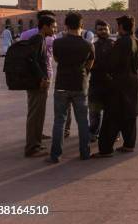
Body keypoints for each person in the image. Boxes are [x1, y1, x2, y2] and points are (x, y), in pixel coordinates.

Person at [95, 15, 138, 157]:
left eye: (118, 26)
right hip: (132, 81)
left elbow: (111, 64)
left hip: (119, 83)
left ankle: (105, 149)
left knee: (111, 116)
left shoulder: (122, 42)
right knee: (129, 115)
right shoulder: (135, 41)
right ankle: (129, 144)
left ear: (122, 27)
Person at [47, 12, 94, 163]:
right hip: (80, 85)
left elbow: (56, 59)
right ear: (82, 25)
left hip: (62, 85)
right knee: (82, 121)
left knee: (59, 121)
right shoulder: (88, 45)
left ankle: (55, 155)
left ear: (66, 26)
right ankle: (84, 153)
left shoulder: (58, 43)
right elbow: (89, 66)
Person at [23, 15, 56, 157]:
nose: (55, 29)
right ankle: (32, 148)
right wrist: (42, 77)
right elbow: (31, 59)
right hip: (37, 83)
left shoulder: (41, 38)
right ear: (44, 26)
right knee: (35, 114)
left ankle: (36, 142)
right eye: (53, 26)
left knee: (37, 113)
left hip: (38, 82)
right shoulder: (37, 38)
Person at [88, 20, 113, 143]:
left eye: (105, 29)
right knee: (94, 112)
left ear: (109, 30)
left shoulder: (115, 45)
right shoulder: (92, 47)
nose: (103, 31)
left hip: (111, 84)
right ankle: (93, 132)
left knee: (111, 111)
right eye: (100, 29)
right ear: (96, 31)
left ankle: (113, 132)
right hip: (96, 83)